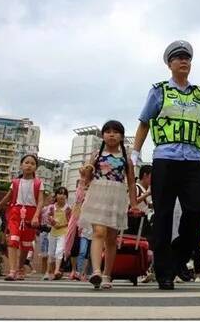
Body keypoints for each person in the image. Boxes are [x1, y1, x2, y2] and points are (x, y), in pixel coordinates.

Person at [131, 40, 200, 290]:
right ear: (170, 64)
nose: (184, 62)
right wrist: (136, 151)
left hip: (193, 161)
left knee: (199, 210)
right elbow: (145, 122)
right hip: (165, 159)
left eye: (187, 58)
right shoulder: (159, 91)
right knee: (163, 216)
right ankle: (164, 273)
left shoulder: (198, 94)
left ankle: (179, 255)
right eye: (178, 58)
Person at [78, 120, 139, 289]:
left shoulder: (127, 158)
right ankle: (96, 271)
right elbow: (88, 177)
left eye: (116, 132)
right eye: (108, 131)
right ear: (103, 135)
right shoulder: (96, 154)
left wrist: (134, 204)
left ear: (121, 136)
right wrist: (84, 173)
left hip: (117, 197)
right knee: (98, 232)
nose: (111, 134)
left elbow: (132, 183)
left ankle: (107, 274)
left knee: (111, 239)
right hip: (97, 194)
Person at [0, 154, 45, 281]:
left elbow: (40, 202)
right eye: (26, 162)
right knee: (13, 239)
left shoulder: (39, 183)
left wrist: (35, 217)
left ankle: (20, 267)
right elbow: (7, 198)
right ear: (21, 165)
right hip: (16, 213)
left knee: (26, 244)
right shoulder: (15, 182)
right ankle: (12, 271)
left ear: (35, 168)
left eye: (32, 163)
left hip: (31, 214)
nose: (29, 165)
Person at [46, 187, 71, 280]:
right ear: (56, 196)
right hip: (53, 232)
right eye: (60, 193)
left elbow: (70, 221)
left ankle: (57, 270)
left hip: (63, 232)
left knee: (59, 251)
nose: (62, 196)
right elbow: (48, 216)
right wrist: (52, 222)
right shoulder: (52, 207)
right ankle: (48, 272)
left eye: (64, 194)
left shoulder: (68, 208)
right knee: (51, 252)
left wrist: (60, 225)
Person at [38, 196, 54, 280]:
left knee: (50, 253)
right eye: (49, 198)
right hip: (43, 231)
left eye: (52, 199)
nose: (51, 200)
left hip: (51, 231)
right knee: (44, 253)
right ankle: (43, 272)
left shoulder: (54, 208)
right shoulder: (43, 209)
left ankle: (50, 272)